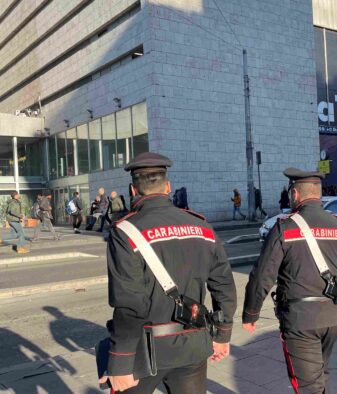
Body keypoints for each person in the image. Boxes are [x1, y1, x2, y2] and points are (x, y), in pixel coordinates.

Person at [100, 152, 236, 393]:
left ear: (133, 190)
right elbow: (223, 284)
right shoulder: (202, 227)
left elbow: (130, 302)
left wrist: (120, 362)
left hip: (145, 350)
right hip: (193, 343)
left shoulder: (126, 231)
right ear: (168, 187)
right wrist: (222, 336)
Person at [242, 168, 337, 394]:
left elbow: (263, 274)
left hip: (300, 319)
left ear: (295, 194)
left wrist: (251, 313)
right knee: (320, 373)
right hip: (334, 316)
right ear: (318, 194)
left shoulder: (285, 227)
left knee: (308, 384)